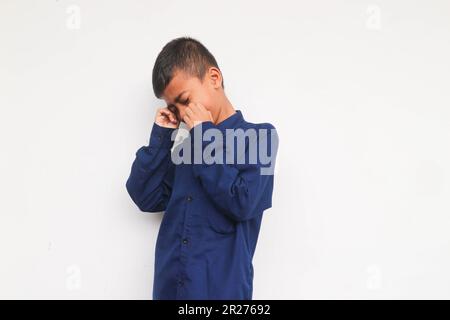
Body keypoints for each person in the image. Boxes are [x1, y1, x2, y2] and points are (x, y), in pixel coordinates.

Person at [126, 36, 278, 300]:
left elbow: (243, 203)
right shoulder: (187, 150)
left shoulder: (260, 138)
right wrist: (161, 137)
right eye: (174, 107)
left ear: (214, 78)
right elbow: (146, 197)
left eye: (185, 100)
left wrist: (205, 136)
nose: (183, 113)